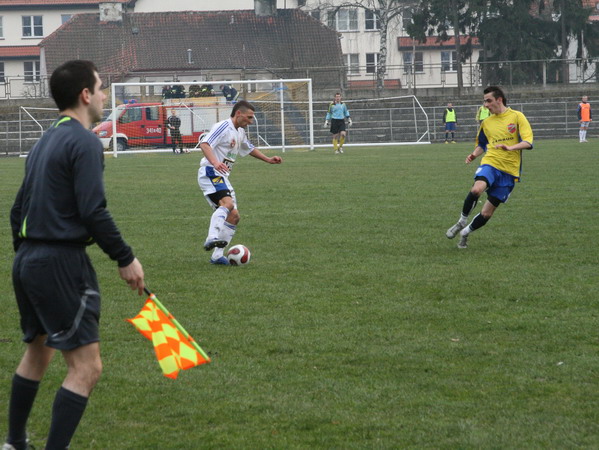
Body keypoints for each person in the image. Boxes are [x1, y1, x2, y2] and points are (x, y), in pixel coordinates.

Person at [5, 60, 145, 450]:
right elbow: (93, 210)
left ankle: (14, 442)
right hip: (60, 263)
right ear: (85, 95)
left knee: (39, 352)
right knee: (86, 368)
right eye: (100, 88)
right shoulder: (84, 140)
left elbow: (17, 211)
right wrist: (125, 258)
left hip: (28, 260)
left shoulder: (45, 140)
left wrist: (30, 259)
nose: (103, 95)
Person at [445, 86, 533, 249]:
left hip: (509, 172)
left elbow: (528, 142)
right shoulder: (486, 122)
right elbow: (483, 144)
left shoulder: (517, 117)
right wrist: (473, 155)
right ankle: (461, 221)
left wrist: (510, 147)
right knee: (476, 190)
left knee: (486, 213)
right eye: (484, 101)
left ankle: (465, 232)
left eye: (488, 101)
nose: (485, 105)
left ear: (499, 100)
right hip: (490, 163)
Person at [198, 100, 282, 265]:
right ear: (238, 114)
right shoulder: (223, 126)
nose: (251, 121)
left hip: (222, 176)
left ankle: (217, 256)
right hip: (210, 171)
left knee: (234, 216)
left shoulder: (240, 131)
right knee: (227, 204)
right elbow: (204, 143)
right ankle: (211, 237)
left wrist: (268, 159)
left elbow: (249, 148)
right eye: (249, 117)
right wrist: (215, 162)